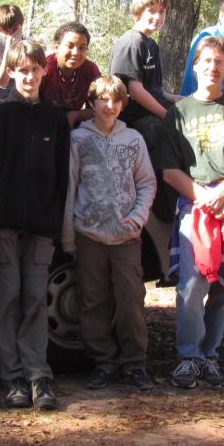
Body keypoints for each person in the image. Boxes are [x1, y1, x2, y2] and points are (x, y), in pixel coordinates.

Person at [160, 36, 224, 389]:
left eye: (219, 62)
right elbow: (169, 171)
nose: (212, 67)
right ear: (195, 66)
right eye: (206, 60)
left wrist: (222, 191)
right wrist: (205, 196)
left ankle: (209, 355)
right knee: (193, 282)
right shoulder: (178, 113)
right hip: (195, 203)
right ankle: (188, 356)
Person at [0, 40, 71, 410]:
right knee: (7, 299)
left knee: (35, 298)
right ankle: (14, 378)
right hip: (3, 225)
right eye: (22, 70)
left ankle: (39, 376)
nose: (29, 76)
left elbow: (62, 177)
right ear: (11, 72)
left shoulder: (55, 119)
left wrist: (55, 226)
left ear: (44, 71)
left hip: (41, 227)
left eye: (35, 70)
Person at [62, 76, 157, 391]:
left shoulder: (133, 139)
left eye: (116, 100)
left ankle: (134, 364)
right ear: (92, 102)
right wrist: (68, 236)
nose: (109, 105)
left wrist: (137, 218)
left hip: (126, 237)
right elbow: (70, 187)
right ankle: (103, 363)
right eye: (103, 99)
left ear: (122, 105)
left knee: (131, 300)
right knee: (92, 301)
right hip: (89, 235)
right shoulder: (78, 139)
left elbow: (147, 182)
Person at [109, 0, 183, 278]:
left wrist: (181, 101)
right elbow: (135, 91)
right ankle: (167, 207)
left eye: (161, 12)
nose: (157, 17)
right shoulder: (130, 43)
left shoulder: (152, 45)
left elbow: (156, 90)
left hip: (152, 114)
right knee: (166, 137)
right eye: (151, 11)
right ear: (138, 12)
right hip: (134, 120)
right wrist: (167, 115)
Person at [40, 21, 101, 127]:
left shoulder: (90, 70)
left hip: (75, 126)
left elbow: (99, 108)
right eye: (70, 46)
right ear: (56, 47)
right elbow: (28, 104)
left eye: (82, 48)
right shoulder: (43, 68)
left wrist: (75, 115)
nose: (76, 53)